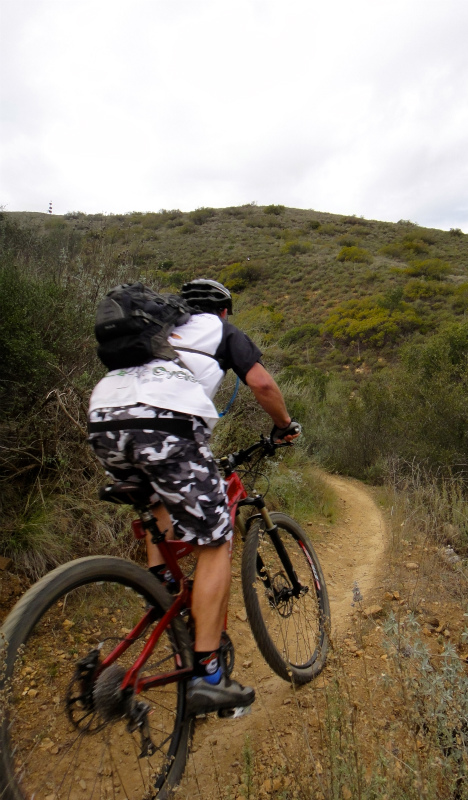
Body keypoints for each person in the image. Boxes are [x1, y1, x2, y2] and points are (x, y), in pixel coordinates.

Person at [87, 278, 299, 715]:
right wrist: (284, 427)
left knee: (158, 498)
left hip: (105, 418)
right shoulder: (221, 330)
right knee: (216, 541)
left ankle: (161, 585)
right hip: (163, 424)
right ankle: (207, 674)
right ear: (223, 311)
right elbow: (261, 384)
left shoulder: (161, 327)